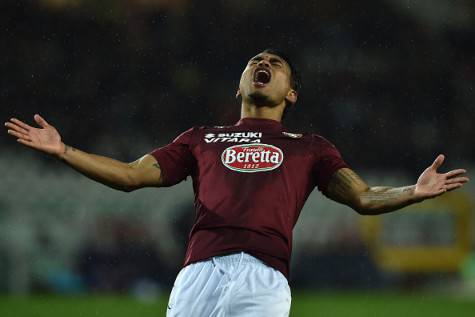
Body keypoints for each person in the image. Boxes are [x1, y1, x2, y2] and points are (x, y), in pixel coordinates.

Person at [5, 49, 469, 316]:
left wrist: (413, 191)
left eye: (274, 61)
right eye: (254, 60)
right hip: (198, 273)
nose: (263, 61)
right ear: (240, 85)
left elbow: (364, 197)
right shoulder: (200, 139)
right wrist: (64, 151)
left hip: (264, 278)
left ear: (290, 92)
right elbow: (131, 176)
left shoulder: (310, 147)